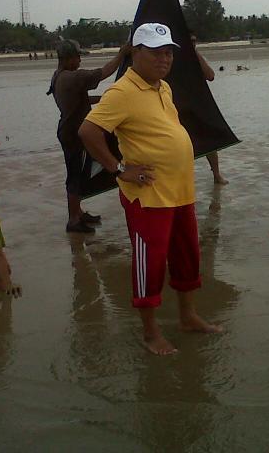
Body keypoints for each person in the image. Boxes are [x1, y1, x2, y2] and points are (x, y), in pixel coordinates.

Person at [80, 22, 222, 355]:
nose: (164, 59)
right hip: (149, 197)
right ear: (136, 53)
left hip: (181, 192)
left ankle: (188, 317)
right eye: (156, 52)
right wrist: (118, 169)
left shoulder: (163, 88)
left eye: (168, 52)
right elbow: (88, 132)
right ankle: (150, 333)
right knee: (151, 264)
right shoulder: (122, 91)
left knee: (188, 257)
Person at [48, 40, 124, 233]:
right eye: (77, 57)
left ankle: (78, 212)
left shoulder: (58, 77)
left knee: (77, 175)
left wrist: (104, 99)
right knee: (75, 177)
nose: (80, 60)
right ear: (67, 59)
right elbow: (104, 72)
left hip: (68, 131)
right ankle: (74, 219)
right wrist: (122, 54)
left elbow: (81, 100)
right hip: (74, 135)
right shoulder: (73, 77)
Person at [190, 31, 228, 185]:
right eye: (189, 41)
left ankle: (216, 175)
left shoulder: (198, 58)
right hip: (178, 106)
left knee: (210, 142)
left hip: (198, 105)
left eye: (194, 41)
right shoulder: (172, 58)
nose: (192, 43)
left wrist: (194, 53)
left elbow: (210, 76)